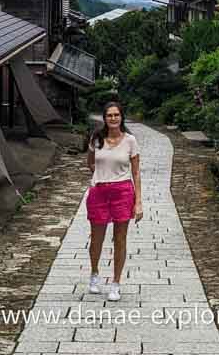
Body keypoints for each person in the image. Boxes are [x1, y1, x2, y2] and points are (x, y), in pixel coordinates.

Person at [85, 101, 142, 301]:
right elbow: (90, 162)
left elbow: (136, 172)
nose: (113, 118)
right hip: (99, 192)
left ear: (122, 117)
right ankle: (94, 274)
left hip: (123, 192)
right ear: (104, 118)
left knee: (120, 238)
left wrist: (139, 202)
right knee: (96, 238)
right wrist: (101, 175)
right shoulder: (97, 139)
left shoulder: (131, 141)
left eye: (116, 115)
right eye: (109, 115)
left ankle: (116, 283)